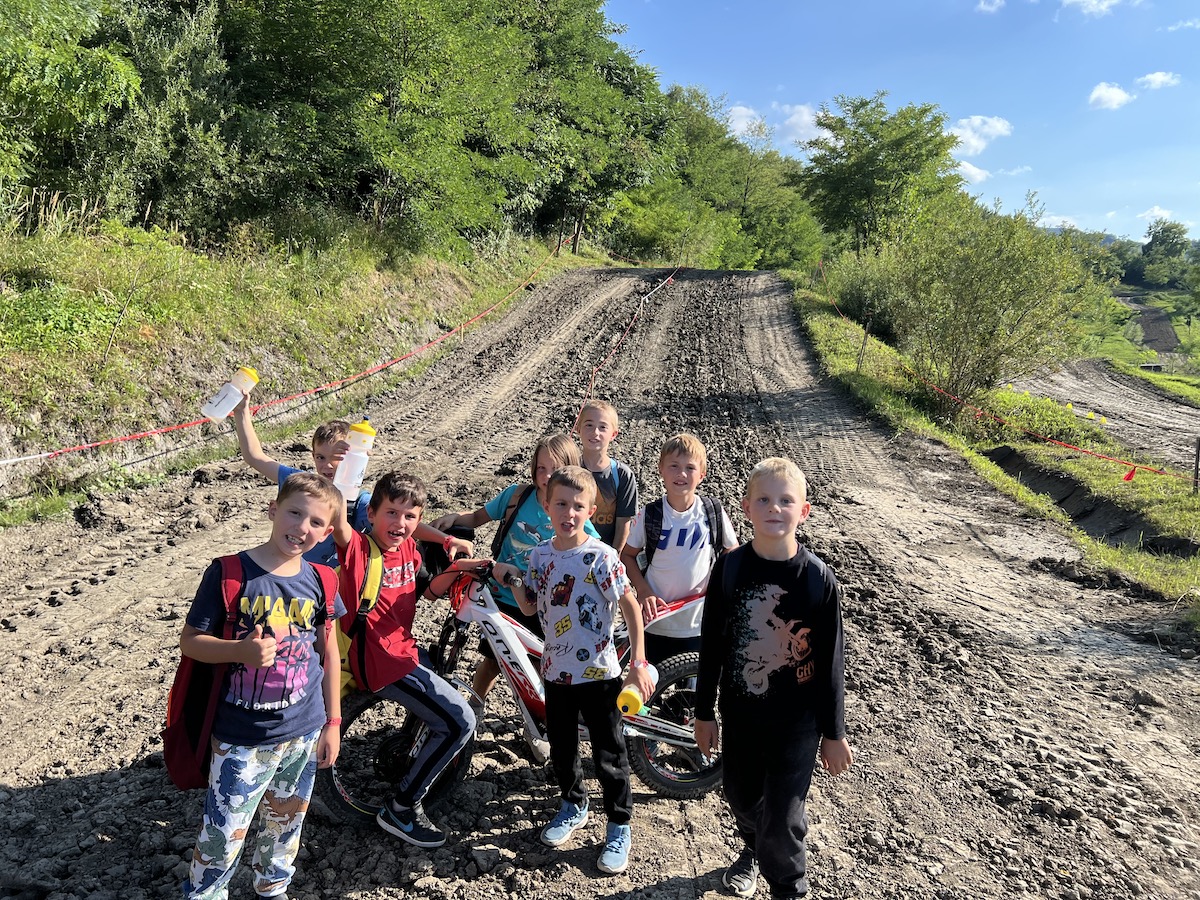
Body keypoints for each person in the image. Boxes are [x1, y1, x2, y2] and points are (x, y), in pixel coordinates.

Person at [694, 457, 853, 900]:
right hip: (741, 714)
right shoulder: (730, 569)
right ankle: (753, 846)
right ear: (746, 508)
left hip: (797, 723)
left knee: (783, 819)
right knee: (741, 798)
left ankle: (788, 888)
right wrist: (703, 713)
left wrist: (834, 733)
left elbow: (831, 662)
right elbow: (711, 645)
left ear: (804, 511)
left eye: (785, 500)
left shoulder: (817, 579)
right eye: (763, 500)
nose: (774, 508)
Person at [180, 472, 343, 900]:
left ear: (327, 532)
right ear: (273, 510)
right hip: (242, 737)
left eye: (316, 522)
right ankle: (205, 894)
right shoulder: (230, 574)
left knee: (286, 824)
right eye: (294, 513)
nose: (302, 527)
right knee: (223, 834)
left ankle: (272, 888)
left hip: (304, 730)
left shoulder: (323, 579)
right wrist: (240, 651)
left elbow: (328, 651)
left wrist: (333, 722)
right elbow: (191, 641)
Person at [496, 465, 654, 876]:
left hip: (599, 675)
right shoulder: (539, 555)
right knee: (563, 748)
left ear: (590, 511)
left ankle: (619, 826)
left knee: (609, 754)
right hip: (555, 671)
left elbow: (631, 606)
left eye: (578, 506)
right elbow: (530, 605)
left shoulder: (601, 557)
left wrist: (638, 662)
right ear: (547, 506)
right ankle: (573, 804)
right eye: (561, 504)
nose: (569, 513)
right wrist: (513, 579)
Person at [430, 433, 599, 758]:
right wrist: (454, 519)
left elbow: (593, 547)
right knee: (493, 661)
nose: (546, 476)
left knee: (538, 669)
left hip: (545, 607)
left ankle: (536, 725)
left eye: (554, 469)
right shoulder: (517, 496)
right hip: (502, 599)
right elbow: (479, 517)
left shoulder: (569, 510)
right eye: (541, 468)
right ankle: (474, 710)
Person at [332, 471, 477, 848]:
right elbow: (338, 521)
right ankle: (403, 807)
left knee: (442, 679)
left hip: (404, 650)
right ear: (370, 514)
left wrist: (459, 563)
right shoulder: (359, 551)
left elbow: (428, 592)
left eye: (410, 516)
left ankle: (415, 760)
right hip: (383, 662)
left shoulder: (408, 549)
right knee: (460, 721)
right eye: (391, 513)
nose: (400, 523)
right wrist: (344, 473)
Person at [232, 394, 471, 567]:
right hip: (287, 571)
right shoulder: (299, 483)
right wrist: (242, 411)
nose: (327, 465)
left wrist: (447, 539)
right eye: (320, 457)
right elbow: (254, 456)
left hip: (329, 587)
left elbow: (399, 522)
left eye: (336, 458)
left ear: (352, 455)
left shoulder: (358, 501)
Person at [620, 433, 738, 666]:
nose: (681, 473)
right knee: (653, 682)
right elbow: (627, 555)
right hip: (656, 622)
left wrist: (718, 583)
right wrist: (643, 591)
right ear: (661, 470)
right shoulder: (651, 514)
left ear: (702, 474)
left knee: (691, 684)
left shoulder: (712, 511)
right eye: (673, 466)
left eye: (690, 468)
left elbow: (731, 550)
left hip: (698, 622)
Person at [574, 399, 638, 551]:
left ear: (613, 434)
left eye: (602, 427)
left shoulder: (622, 475)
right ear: (578, 428)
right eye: (589, 425)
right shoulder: (569, 468)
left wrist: (614, 556)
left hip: (605, 554)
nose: (595, 432)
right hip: (571, 552)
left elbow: (623, 524)